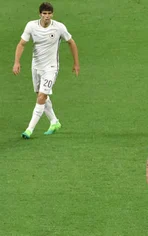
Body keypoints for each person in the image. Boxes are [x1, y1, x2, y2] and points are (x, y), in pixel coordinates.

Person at [13, 2, 80, 139]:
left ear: (52, 14)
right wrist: (17, 62)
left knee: (41, 96)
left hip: (51, 68)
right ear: (40, 14)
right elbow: (21, 44)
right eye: (44, 14)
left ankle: (29, 129)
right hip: (36, 66)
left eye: (49, 13)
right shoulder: (31, 26)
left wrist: (76, 63)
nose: (47, 16)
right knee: (40, 95)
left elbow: (71, 42)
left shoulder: (59, 27)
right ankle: (54, 121)